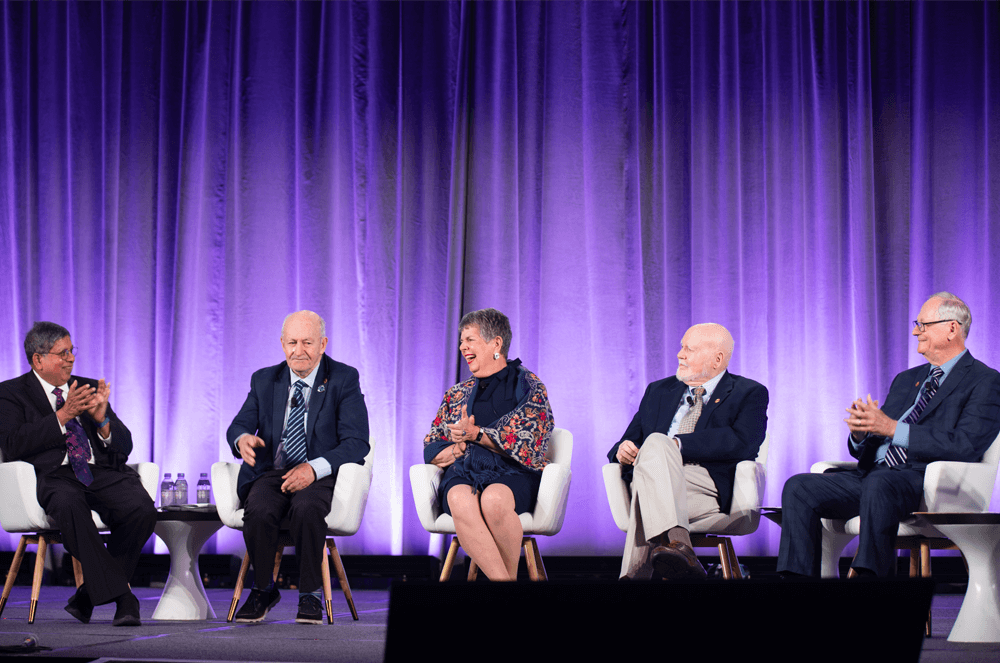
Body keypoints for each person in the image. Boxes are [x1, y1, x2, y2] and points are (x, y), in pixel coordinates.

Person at [778, 292, 1000, 577]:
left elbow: (965, 445)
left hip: (924, 481)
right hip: (874, 477)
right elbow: (877, 439)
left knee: (881, 482)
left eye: (923, 325)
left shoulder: (985, 381)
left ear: (952, 328)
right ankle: (796, 590)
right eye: (916, 324)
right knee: (799, 486)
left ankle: (873, 584)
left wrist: (893, 429)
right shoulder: (907, 379)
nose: (915, 331)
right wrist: (860, 435)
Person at [0, 322, 156, 626]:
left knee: (141, 509)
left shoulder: (85, 385)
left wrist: (102, 422)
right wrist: (62, 416)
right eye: (63, 353)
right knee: (71, 506)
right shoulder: (11, 393)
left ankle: (87, 595)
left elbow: (124, 447)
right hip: (53, 476)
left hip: (97, 471)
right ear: (38, 360)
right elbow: (11, 443)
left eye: (72, 351)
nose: (71, 358)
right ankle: (124, 599)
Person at [227, 310, 369, 624]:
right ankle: (263, 589)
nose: (298, 350)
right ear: (282, 344)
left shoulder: (343, 378)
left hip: (319, 472)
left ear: (323, 344)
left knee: (306, 508)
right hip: (273, 472)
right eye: (292, 342)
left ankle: (310, 595)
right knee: (260, 509)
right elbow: (238, 425)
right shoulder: (265, 379)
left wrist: (314, 468)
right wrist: (242, 440)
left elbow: (357, 442)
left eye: (307, 342)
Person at [608, 323, 768, 580]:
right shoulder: (659, 391)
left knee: (654, 456)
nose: (680, 354)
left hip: (706, 485)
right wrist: (622, 450)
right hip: (652, 474)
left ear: (717, 359)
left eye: (689, 349)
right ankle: (680, 545)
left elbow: (744, 442)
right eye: (681, 347)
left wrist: (678, 445)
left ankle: (635, 575)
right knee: (654, 452)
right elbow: (628, 440)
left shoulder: (748, 392)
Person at [423, 308, 554, 581]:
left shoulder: (529, 386)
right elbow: (432, 446)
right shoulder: (457, 394)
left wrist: (477, 435)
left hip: (514, 472)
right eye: (461, 341)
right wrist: (458, 449)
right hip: (464, 471)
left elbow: (532, 439)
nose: (462, 347)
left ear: (496, 343)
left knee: (494, 500)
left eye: (469, 340)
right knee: (459, 498)